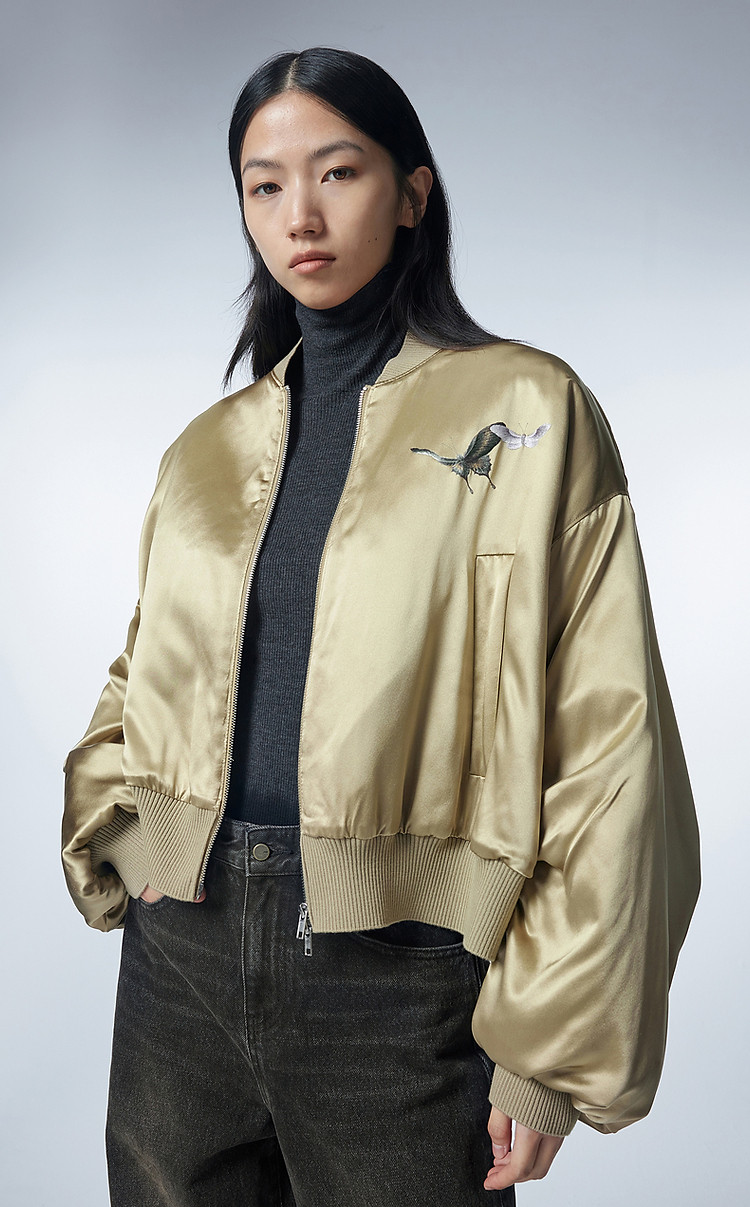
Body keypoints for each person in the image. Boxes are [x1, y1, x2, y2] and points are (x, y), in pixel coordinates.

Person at [61, 46, 701, 1206]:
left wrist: (549, 1057)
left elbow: (611, 740)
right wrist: (126, 832)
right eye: (264, 185)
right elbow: (141, 668)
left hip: (402, 976)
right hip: (180, 968)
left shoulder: (530, 411)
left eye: (338, 172)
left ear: (412, 194)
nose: (299, 216)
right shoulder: (209, 449)